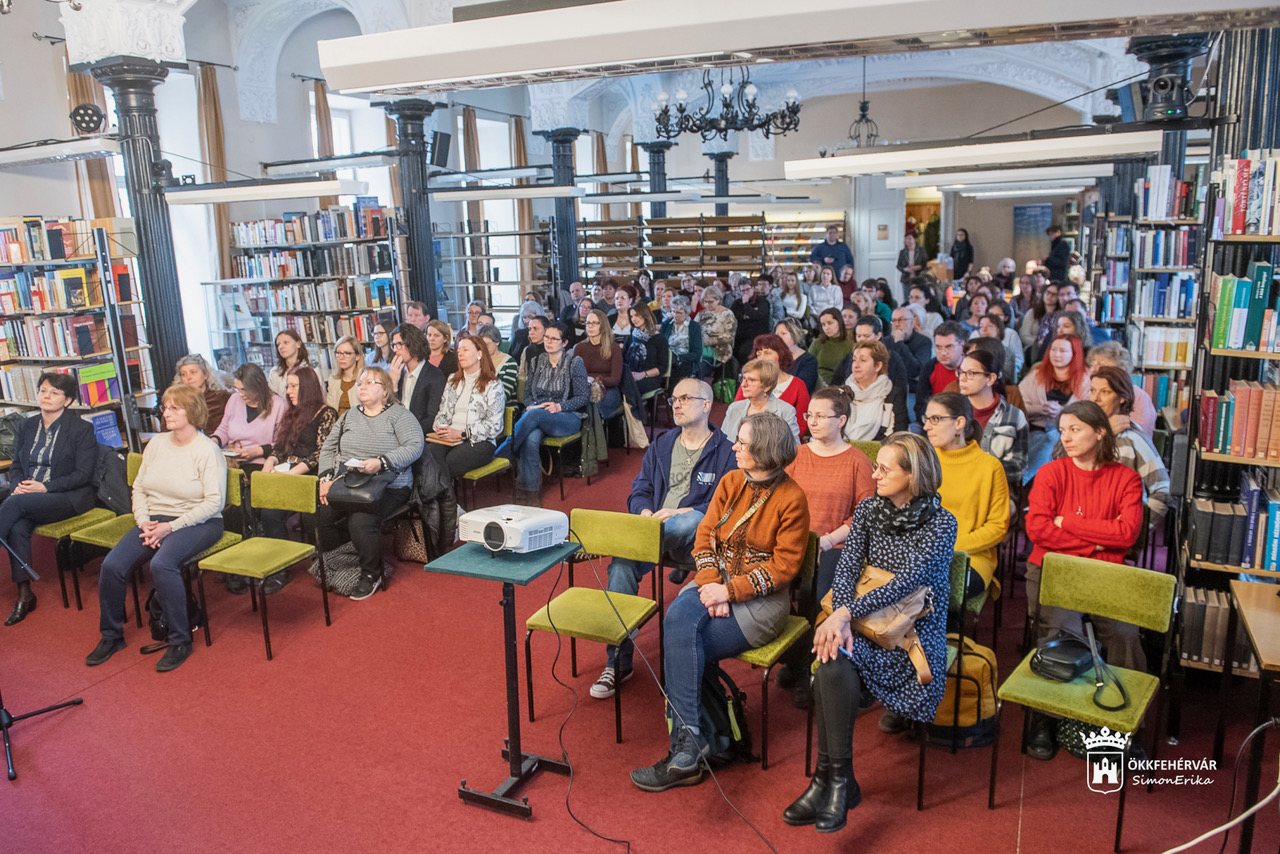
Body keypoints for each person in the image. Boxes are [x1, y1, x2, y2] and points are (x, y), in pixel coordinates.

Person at [786, 432, 956, 831]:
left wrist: (842, 614)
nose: (874, 473)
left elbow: (907, 583)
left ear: (913, 476)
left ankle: (831, 780)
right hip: (863, 621)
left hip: (911, 633)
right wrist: (843, 614)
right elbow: (847, 567)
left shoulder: (942, 523)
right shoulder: (868, 511)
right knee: (831, 659)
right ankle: (833, 779)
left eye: (884, 468)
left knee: (831, 654)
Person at [631, 412, 809, 793]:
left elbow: (783, 569)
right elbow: (704, 538)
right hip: (714, 585)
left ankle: (692, 747)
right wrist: (712, 585)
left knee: (683, 645)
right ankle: (697, 741)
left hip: (763, 602)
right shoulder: (731, 481)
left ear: (765, 450)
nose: (734, 447)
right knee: (678, 622)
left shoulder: (791, 498)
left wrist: (729, 592)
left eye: (742, 443)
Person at [590, 378, 738, 699]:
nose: (677, 404)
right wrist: (643, 512)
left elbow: (723, 506)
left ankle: (620, 541)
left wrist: (680, 512)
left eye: (685, 398)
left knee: (692, 518)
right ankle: (619, 661)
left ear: (707, 405)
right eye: (674, 399)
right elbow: (639, 490)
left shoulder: (725, 451)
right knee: (620, 566)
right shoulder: (661, 444)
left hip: (698, 539)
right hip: (653, 532)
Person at [1022, 400, 1144, 760]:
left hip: (1106, 575)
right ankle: (1048, 718)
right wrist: (1098, 540)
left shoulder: (1126, 478)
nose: (1067, 437)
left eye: (1075, 429)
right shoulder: (1052, 473)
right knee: (1063, 634)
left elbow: (1127, 535)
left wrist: (1069, 524)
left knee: (1126, 635)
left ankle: (1124, 725)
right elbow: (1038, 529)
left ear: (1100, 431)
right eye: (1063, 431)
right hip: (1054, 570)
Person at [87, 384, 226, 673]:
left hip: (198, 521)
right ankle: (111, 636)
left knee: (162, 565)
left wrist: (170, 527)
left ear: (193, 411)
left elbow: (214, 502)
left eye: (176, 407)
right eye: (165, 407)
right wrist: (144, 521)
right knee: (112, 565)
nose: (167, 413)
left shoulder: (207, 450)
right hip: (155, 520)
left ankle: (180, 640)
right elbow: (139, 487)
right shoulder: (156, 444)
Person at [778, 386, 877, 705]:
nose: (813, 422)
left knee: (815, 593)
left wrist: (831, 538)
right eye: (810, 415)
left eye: (821, 416)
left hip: (836, 546)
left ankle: (812, 669)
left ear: (842, 420)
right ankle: (794, 656)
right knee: (769, 586)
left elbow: (865, 516)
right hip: (796, 542)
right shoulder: (798, 455)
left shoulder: (857, 461)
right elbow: (779, 499)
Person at [313, 367, 425, 600]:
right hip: (349, 481)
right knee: (319, 513)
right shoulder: (349, 416)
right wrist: (325, 479)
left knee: (361, 520)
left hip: (389, 483)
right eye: (360, 383)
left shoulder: (399, 415)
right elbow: (328, 447)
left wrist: (382, 462)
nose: (362, 386)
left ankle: (370, 574)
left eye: (369, 382)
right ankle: (344, 561)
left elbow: (415, 446)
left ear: (385, 390)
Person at [0, 373, 98, 626]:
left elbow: (83, 475)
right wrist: (18, 486)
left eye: (54, 392)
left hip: (66, 497)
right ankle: (24, 594)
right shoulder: (27, 425)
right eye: (43, 390)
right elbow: (17, 464)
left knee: (15, 506)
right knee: (17, 527)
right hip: (28, 496)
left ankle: (24, 593)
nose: (46, 396)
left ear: (67, 400)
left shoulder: (81, 429)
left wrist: (44, 487)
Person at [256, 367, 337, 593]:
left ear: (307, 388)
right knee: (268, 513)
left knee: (309, 515)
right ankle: (281, 566)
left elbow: (323, 453)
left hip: (311, 474)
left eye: (293, 386)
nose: (288, 391)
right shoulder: (291, 413)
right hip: (288, 470)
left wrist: (291, 474)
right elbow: (281, 447)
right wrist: (269, 462)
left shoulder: (326, 413)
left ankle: (321, 560)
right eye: (288, 386)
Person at [495, 321, 591, 505]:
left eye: (554, 339)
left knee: (533, 416)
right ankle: (530, 493)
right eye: (547, 336)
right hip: (538, 415)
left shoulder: (574, 363)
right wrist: (532, 405)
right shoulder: (537, 361)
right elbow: (528, 394)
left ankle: (503, 454)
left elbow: (583, 398)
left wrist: (559, 407)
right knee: (531, 438)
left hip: (567, 418)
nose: (548, 341)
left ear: (564, 343)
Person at [923, 393, 1008, 597]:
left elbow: (998, 527)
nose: (926, 426)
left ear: (959, 422)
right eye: (926, 419)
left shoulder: (989, 467)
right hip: (922, 554)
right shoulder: (925, 461)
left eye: (935, 419)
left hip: (971, 557)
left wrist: (948, 547)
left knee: (928, 589)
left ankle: (942, 629)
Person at [1088, 367, 1170, 518]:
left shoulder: (1132, 438)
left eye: (1104, 392)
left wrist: (1137, 531)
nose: (1095, 398)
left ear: (1122, 397)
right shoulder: (1086, 430)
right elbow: (1060, 460)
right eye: (1092, 391)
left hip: (1111, 532)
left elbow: (1162, 491)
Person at [429, 333, 506, 485]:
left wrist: (463, 433)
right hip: (449, 437)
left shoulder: (493, 385)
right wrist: (442, 428)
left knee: (447, 462)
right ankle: (449, 505)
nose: (460, 353)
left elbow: (494, 427)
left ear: (479, 354)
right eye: (458, 350)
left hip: (479, 441)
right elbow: (442, 413)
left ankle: (442, 506)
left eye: (465, 350)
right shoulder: (452, 380)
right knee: (428, 455)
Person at [1019, 333, 1088, 483]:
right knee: (1043, 442)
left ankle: (1024, 480)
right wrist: (1038, 409)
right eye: (1053, 349)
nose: (1056, 354)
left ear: (1074, 354)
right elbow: (1018, 403)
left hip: (1069, 433)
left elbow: (1091, 413)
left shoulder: (1086, 380)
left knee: (1052, 441)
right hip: (1036, 429)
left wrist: (1063, 413)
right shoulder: (1036, 374)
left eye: (1063, 351)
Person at [957, 347, 1029, 485]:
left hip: (997, 489)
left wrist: (981, 474)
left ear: (990, 378)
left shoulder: (1013, 416)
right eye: (961, 372)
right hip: (958, 487)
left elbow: (1018, 468)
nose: (963, 378)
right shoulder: (952, 412)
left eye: (971, 373)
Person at [212, 363, 289, 467]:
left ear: (257, 386)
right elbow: (224, 429)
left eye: (244, 389)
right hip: (231, 462)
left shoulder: (279, 404)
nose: (240, 394)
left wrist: (256, 451)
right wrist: (213, 441)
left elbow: (283, 443)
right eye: (237, 389)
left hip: (261, 463)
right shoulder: (234, 399)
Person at [734, 334, 810, 437]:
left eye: (767, 353)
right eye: (759, 354)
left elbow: (802, 424)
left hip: (783, 443)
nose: (762, 358)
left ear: (780, 355)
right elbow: (736, 413)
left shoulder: (798, 385)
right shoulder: (748, 383)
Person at [721, 358, 801, 444]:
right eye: (743, 378)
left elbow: (793, 448)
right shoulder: (734, 408)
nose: (743, 384)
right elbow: (722, 442)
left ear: (767, 386)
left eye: (751, 380)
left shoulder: (785, 411)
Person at [1086, 341, 1156, 434]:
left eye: (1100, 365)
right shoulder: (1092, 391)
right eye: (1092, 364)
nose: (1092, 369)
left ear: (1120, 370)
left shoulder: (1139, 397)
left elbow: (1135, 436)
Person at [390, 323, 445, 437]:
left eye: (399, 344)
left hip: (419, 435)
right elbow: (389, 412)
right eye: (393, 345)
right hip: (394, 433)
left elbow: (431, 418)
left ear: (413, 344)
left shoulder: (435, 376)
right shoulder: (396, 373)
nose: (395, 350)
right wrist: (393, 384)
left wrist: (407, 432)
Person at [914, 321, 967, 424]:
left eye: (949, 347)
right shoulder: (929, 367)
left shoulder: (973, 368)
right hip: (934, 422)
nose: (943, 353)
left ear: (962, 345)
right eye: (938, 347)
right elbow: (920, 406)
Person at [842, 340, 895, 441]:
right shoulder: (843, 392)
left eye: (863, 360)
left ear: (878, 366)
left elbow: (897, 432)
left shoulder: (891, 393)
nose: (856, 365)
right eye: (854, 360)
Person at [173, 354, 231, 432]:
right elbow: (166, 430)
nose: (188, 377)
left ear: (206, 375)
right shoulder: (175, 400)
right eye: (183, 374)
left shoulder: (222, 397)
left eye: (193, 372)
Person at [624, 303, 670, 398]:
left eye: (637, 315)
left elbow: (662, 367)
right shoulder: (630, 338)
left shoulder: (659, 339)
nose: (633, 319)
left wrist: (642, 374)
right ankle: (628, 412)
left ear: (645, 315)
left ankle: (633, 412)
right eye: (631, 316)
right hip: (631, 374)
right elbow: (623, 359)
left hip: (650, 377)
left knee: (631, 388)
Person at [662, 295, 705, 383]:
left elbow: (697, 353)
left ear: (687, 312)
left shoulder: (694, 327)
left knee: (677, 373)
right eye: (673, 311)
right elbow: (660, 345)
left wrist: (679, 358)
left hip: (685, 361)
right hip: (668, 360)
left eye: (679, 312)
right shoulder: (666, 324)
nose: (675, 315)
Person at [695, 286, 737, 373]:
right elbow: (693, 330)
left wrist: (709, 341)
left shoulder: (727, 314)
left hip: (719, 351)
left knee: (700, 366)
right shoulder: (701, 314)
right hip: (701, 350)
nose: (707, 304)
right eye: (705, 301)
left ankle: (704, 384)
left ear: (718, 300)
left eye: (710, 302)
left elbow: (729, 336)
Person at [808, 308, 852, 388]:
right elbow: (808, 366)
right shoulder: (817, 343)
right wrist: (819, 383)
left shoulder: (850, 345)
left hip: (839, 386)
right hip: (816, 383)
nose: (826, 328)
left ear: (839, 322)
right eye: (823, 324)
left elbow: (849, 373)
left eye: (830, 323)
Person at [731, 280, 772, 365]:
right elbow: (733, 316)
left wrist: (746, 304)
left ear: (753, 288)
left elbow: (756, 315)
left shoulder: (762, 302)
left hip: (757, 336)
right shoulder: (737, 303)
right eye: (743, 290)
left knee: (744, 353)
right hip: (740, 336)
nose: (745, 292)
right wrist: (749, 314)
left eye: (748, 289)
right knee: (729, 353)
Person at [776, 318, 818, 394]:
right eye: (777, 335)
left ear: (795, 335)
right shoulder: (775, 357)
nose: (778, 338)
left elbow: (801, 388)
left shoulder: (809, 360)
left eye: (783, 333)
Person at [977, 312, 1023, 383]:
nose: (984, 329)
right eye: (981, 326)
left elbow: (1008, 379)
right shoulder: (975, 351)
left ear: (998, 329)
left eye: (989, 326)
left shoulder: (1006, 353)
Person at [477, 323, 517, 401]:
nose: (484, 348)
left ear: (497, 342)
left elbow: (504, 394)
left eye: (487, 344)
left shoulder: (509, 362)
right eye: (482, 345)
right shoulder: (477, 360)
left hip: (502, 406)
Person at [325, 335, 364, 414]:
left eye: (347, 353)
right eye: (338, 353)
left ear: (357, 356)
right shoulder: (333, 379)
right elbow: (330, 410)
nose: (341, 357)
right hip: (337, 424)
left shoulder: (364, 379)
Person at [267, 330, 311, 398]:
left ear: (298, 344)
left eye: (286, 342)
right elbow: (273, 400)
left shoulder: (311, 370)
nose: (281, 347)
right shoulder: (275, 372)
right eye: (278, 344)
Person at [1019, 281, 1060, 351]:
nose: (1049, 296)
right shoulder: (1032, 312)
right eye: (1048, 292)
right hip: (1033, 347)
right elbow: (1024, 335)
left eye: (1054, 294)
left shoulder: (1060, 315)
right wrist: (1039, 342)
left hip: (1054, 348)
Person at [890, 305, 933, 373]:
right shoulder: (886, 341)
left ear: (912, 323)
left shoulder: (924, 342)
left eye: (901, 320)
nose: (896, 324)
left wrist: (899, 343)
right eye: (894, 320)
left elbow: (916, 370)